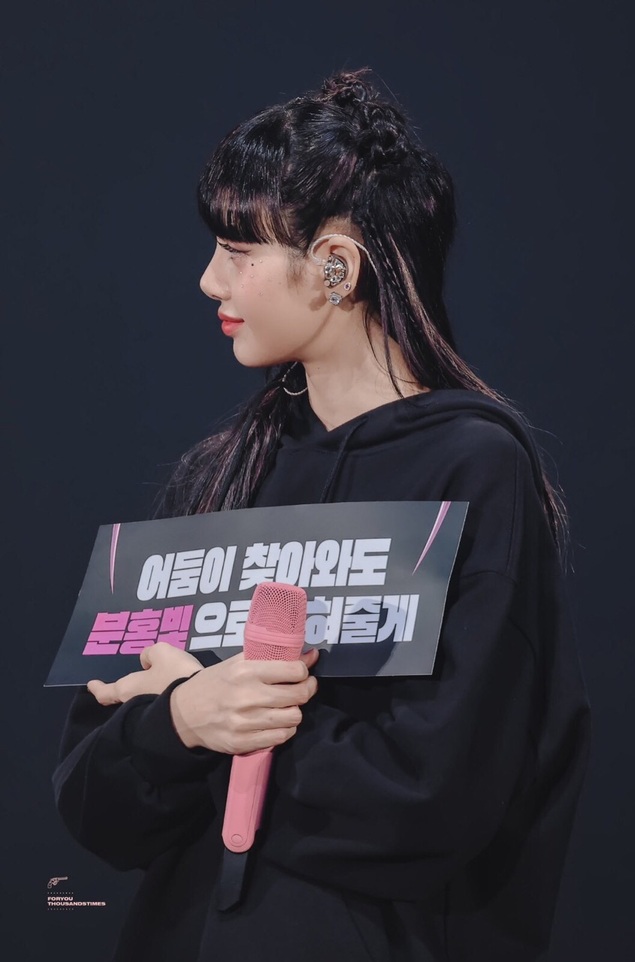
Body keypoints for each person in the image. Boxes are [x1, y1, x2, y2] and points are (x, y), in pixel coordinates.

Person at [52, 67, 591, 962]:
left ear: (336, 266)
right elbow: (91, 806)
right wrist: (181, 720)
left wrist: (228, 722)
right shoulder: (219, 478)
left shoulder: (473, 469)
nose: (208, 280)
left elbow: (436, 801)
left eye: (238, 250)